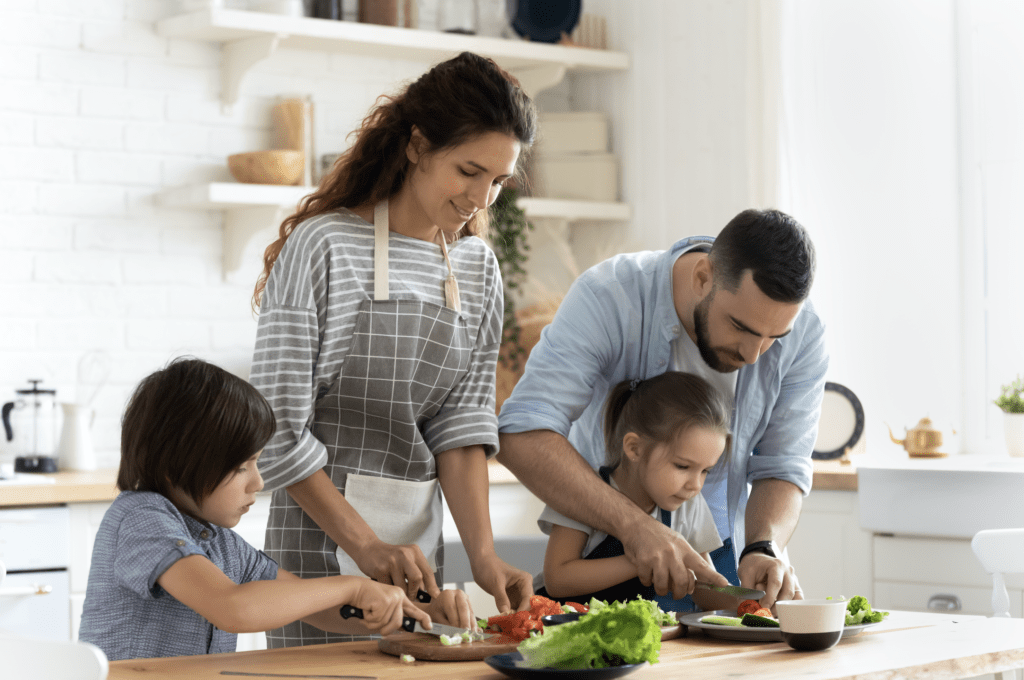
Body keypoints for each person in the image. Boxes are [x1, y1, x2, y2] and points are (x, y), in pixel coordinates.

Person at [249, 52, 538, 647]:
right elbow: (278, 428)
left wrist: (482, 558)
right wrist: (366, 546)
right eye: (468, 170)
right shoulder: (324, 246)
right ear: (416, 146)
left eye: (499, 181)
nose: (482, 199)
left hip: (419, 564)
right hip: (319, 556)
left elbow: (459, 425)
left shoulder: (477, 267)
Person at [498, 208, 827, 609]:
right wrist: (636, 528)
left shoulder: (806, 333)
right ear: (703, 277)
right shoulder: (610, 295)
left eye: (775, 337)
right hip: (602, 523)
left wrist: (765, 546)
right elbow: (522, 432)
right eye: (741, 327)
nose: (754, 354)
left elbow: (783, 465)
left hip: (722, 542)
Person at [79, 358, 467, 661]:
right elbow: (233, 609)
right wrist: (354, 585)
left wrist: (420, 609)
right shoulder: (141, 519)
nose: (259, 483)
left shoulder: (223, 545)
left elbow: (315, 607)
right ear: (175, 462)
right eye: (240, 467)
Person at [535, 372, 730, 610]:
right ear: (634, 448)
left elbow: (705, 587)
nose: (695, 485)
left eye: (705, 471)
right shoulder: (582, 492)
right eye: (682, 466)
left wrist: (755, 601)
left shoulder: (690, 504)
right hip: (558, 628)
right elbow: (558, 580)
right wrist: (644, 558)